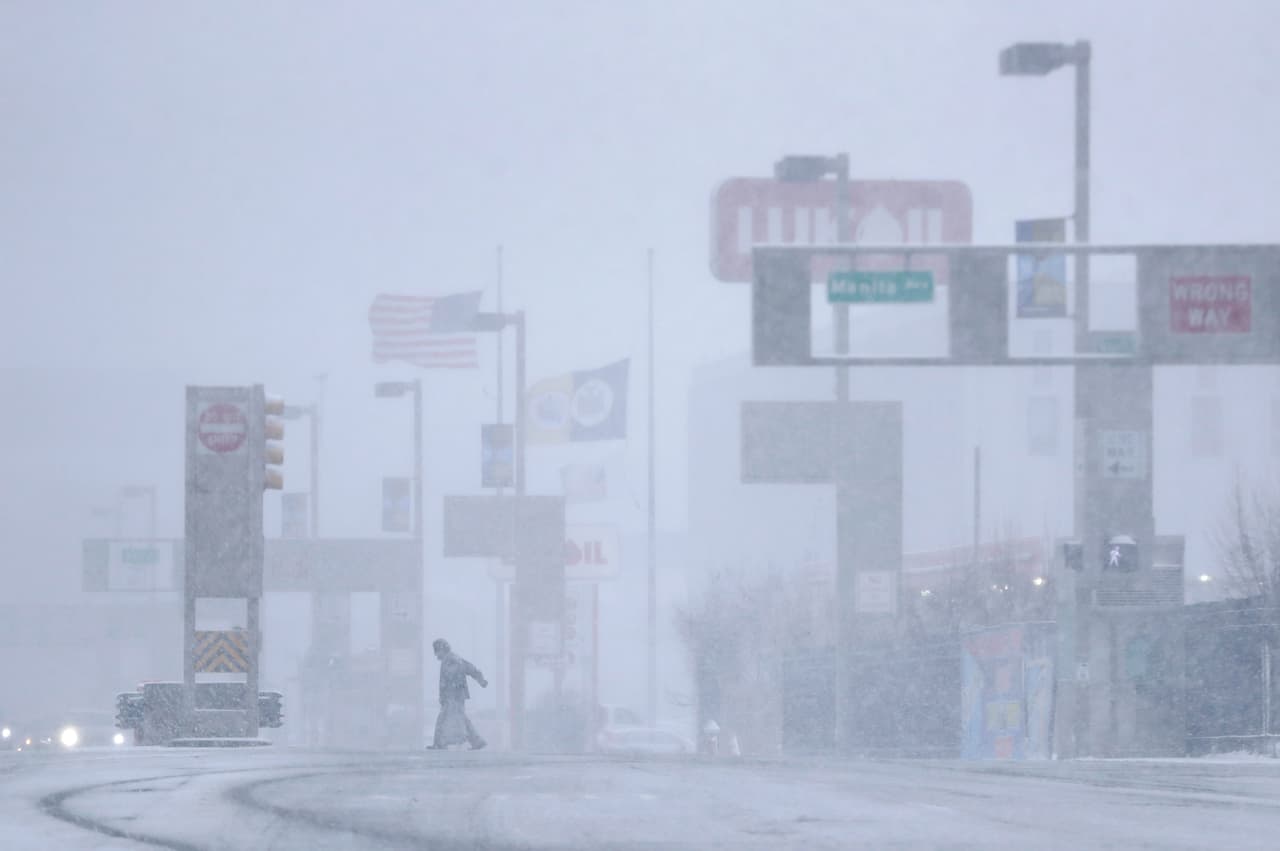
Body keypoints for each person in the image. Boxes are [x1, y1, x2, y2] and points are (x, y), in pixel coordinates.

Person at [429, 638, 488, 750]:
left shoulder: (451, 660)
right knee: (462, 719)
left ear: (442, 649)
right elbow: (470, 668)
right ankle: (477, 741)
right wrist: (481, 680)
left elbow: (450, 679)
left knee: (442, 719)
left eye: (437, 651)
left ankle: (439, 743)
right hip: (455, 695)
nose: (436, 655)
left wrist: (445, 696)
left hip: (453, 696)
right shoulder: (452, 658)